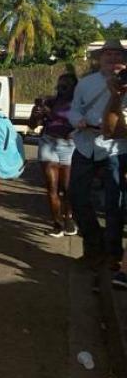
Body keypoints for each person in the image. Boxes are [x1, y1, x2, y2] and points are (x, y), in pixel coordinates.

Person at [68, 40, 127, 285]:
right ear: (100, 58)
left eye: (117, 55)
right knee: (77, 197)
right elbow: (73, 110)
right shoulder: (86, 83)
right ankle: (93, 247)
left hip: (116, 148)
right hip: (86, 145)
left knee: (115, 204)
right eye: (108, 54)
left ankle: (113, 254)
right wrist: (78, 120)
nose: (112, 59)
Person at [29, 73, 78, 237]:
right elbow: (32, 125)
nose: (63, 89)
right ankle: (57, 223)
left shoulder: (78, 104)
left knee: (67, 188)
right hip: (48, 143)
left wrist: (50, 113)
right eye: (60, 86)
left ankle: (69, 217)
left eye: (67, 86)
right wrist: (35, 115)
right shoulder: (50, 101)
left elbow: (75, 123)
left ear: (74, 88)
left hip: (69, 146)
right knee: (52, 187)